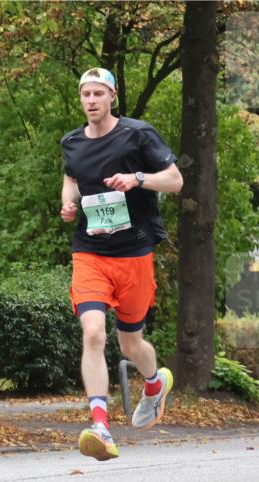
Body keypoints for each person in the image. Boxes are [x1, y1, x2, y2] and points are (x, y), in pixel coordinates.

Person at [59, 68, 184, 461]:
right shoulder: (72, 142)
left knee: (130, 343)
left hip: (134, 253)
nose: (91, 100)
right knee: (93, 333)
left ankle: (154, 384)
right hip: (90, 252)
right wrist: (68, 203)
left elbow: (175, 181)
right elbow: (71, 178)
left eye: (98, 93)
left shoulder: (137, 134)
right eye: (85, 94)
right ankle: (100, 425)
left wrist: (137, 179)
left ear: (112, 97)